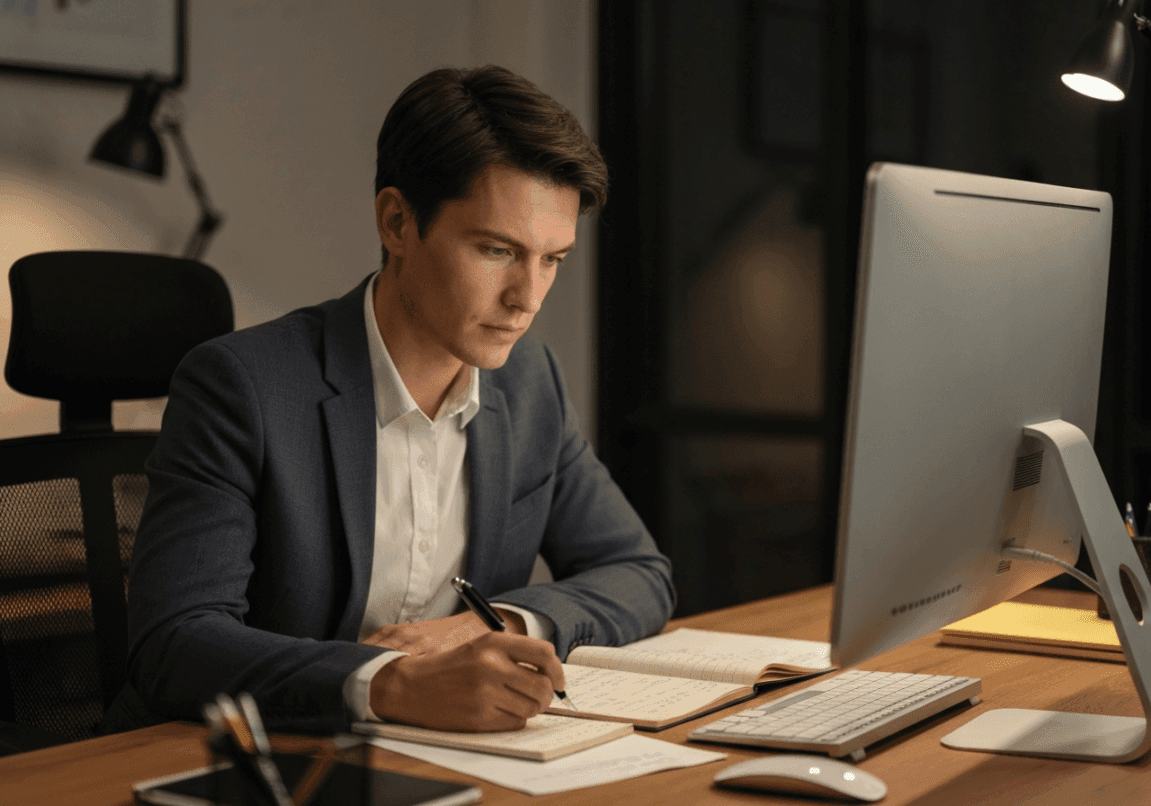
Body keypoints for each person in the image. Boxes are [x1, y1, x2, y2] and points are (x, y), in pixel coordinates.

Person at [104, 65, 675, 735]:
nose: (528, 297)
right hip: (245, 761)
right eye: (497, 250)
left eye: (552, 259)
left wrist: (491, 624)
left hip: (444, 756)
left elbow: (640, 573)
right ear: (397, 222)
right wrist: (389, 684)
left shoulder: (530, 385)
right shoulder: (241, 386)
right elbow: (175, 643)